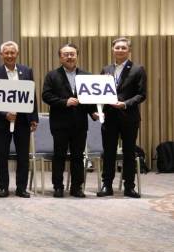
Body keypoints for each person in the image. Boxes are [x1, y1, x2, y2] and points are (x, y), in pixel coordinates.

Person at [42, 43, 99, 198]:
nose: (69, 57)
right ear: (60, 57)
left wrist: (93, 112)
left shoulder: (87, 76)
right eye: (66, 54)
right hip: (59, 123)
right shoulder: (52, 75)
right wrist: (64, 102)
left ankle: (76, 187)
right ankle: (58, 187)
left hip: (80, 123)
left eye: (72, 54)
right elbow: (46, 96)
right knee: (59, 156)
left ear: (77, 56)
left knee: (78, 157)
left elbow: (90, 99)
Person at [0, 41, 38, 198]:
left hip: (23, 120)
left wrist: (33, 118)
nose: (9, 55)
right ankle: (3, 187)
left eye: (12, 52)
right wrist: (5, 113)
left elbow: (32, 95)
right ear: (1, 55)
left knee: (23, 156)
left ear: (17, 54)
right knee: (2, 155)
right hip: (2, 122)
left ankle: (21, 188)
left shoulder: (27, 71)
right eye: (6, 53)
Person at [98, 37, 146, 198]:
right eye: (117, 47)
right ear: (112, 50)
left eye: (123, 48)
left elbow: (141, 94)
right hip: (109, 117)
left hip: (129, 117)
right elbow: (100, 92)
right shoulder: (106, 69)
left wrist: (125, 104)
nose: (120, 50)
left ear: (129, 50)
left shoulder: (138, 69)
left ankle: (129, 187)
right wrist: (98, 109)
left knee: (129, 153)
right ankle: (107, 185)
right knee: (108, 153)